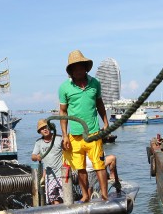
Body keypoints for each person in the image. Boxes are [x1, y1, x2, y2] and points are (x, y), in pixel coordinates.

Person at [58, 49, 110, 202]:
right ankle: (85, 195)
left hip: (93, 133)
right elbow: (62, 112)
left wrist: (106, 123)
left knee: (99, 165)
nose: (78, 70)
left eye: (81, 66)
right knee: (80, 168)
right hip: (75, 135)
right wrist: (65, 135)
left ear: (85, 68)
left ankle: (105, 195)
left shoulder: (95, 83)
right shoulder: (64, 88)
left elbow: (99, 104)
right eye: (75, 68)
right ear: (71, 71)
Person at [30, 118, 65, 204]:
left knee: (66, 198)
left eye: (46, 127)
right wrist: (37, 157)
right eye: (42, 128)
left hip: (62, 175)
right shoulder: (39, 143)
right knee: (53, 199)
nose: (45, 129)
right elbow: (33, 156)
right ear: (39, 132)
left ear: (50, 127)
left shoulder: (59, 138)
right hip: (49, 177)